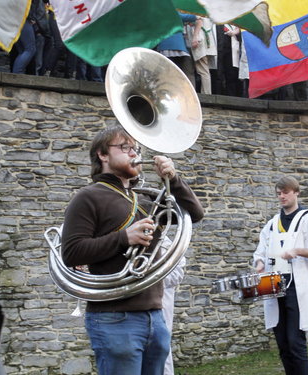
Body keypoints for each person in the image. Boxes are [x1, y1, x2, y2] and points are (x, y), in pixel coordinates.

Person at [61, 125, 204, 375]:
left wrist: (173, 179)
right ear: (102, 155)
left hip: (155, 315)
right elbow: (72, 252)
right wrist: (124, 238)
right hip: (114, 318)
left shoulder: (146, 200)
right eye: (125, 147)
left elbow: (195, 214)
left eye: (136, 148)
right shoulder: (88, 197)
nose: (134, 153)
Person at [253, 176, 308, 375]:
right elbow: (260, 252)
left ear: (296, 192)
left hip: (297, 287)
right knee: (282, 342)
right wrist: (259, 263)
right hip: (272, 284)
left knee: (295, 342)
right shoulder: (272, 223)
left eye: (286, 192)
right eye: (279, 193)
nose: (282, 196)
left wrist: (298, 251)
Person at [162, 254, 186, 375]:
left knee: (161, 348)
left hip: (159, 303)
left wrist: (148, 279)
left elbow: (177, 274)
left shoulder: (166, 243)